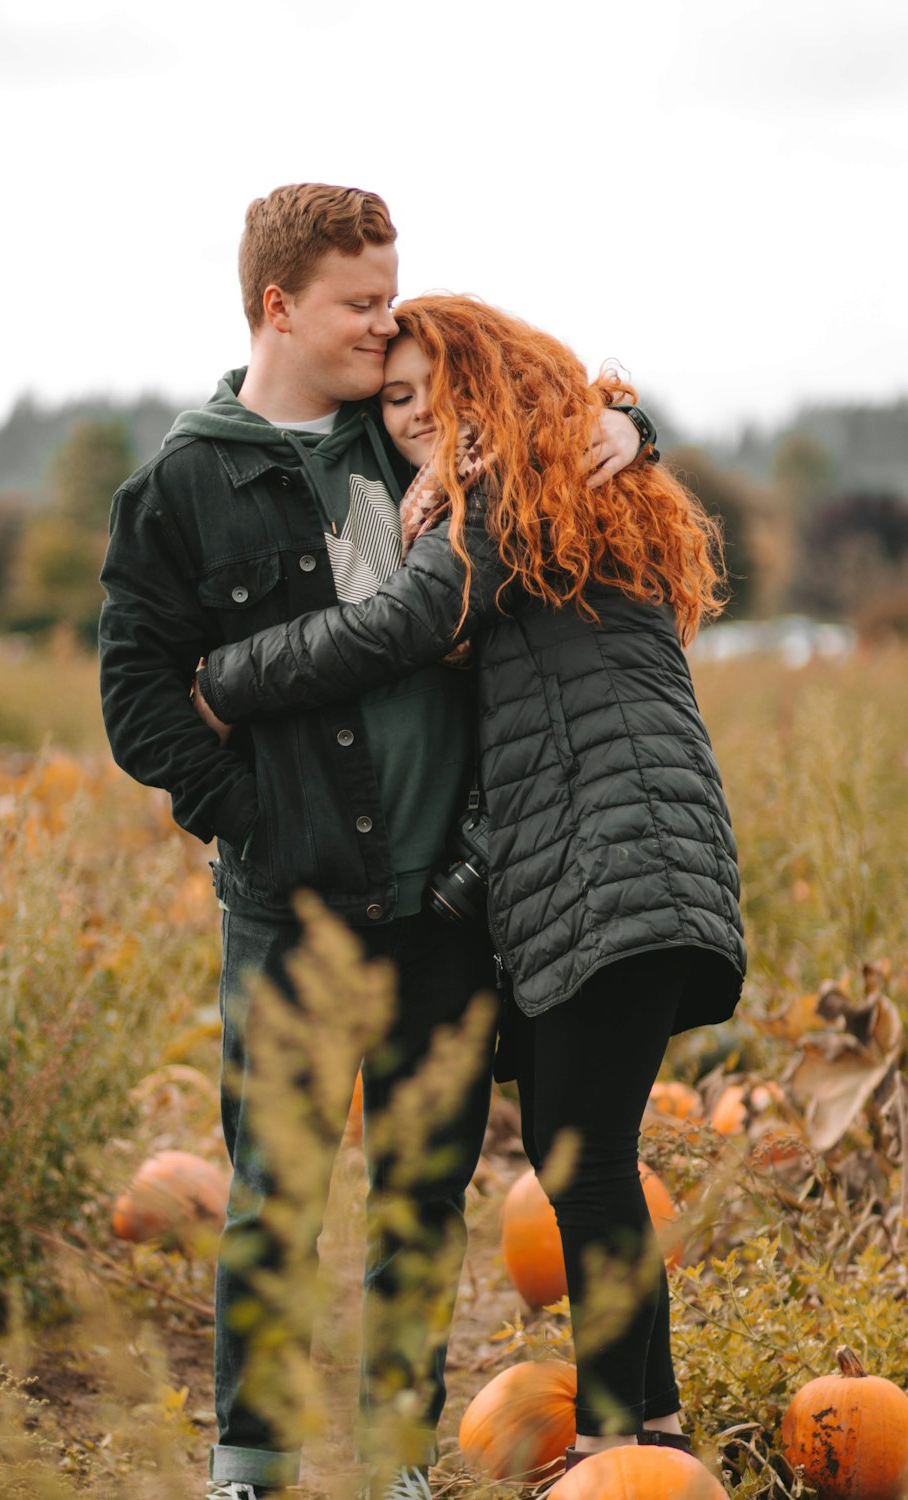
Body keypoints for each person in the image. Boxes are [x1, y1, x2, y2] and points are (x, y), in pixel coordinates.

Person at [98, 185, 648, 1500]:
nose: (383, 322)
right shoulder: (179, 487)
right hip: (287, 910)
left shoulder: (395, 423)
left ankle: (398, 1459)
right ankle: (252, 1464)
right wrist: (259, 825)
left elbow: (541, 417)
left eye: (390, 296)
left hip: (441, 910)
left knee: (421, 1197)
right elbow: (136, 705)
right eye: (359, 301)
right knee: (276, 1195)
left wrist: (631, 422)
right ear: (279, 305)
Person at [193, 294, 747, 1482]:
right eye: (393, 402)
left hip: (614, 859)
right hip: (623, 856)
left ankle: (616, 1443)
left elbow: (396, 625)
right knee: (579, 1147)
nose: (414, 419)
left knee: (584, 1156)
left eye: (435, 394)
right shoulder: (563, 474)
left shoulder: (510, 487)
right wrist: (627, 420)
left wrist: (228, 680)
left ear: (492, 384)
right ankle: (650, 1425)